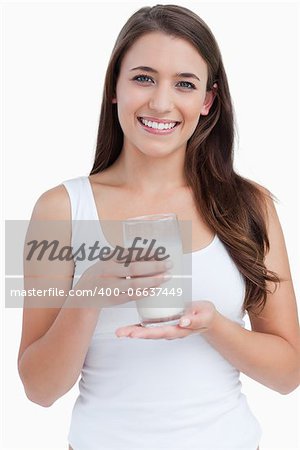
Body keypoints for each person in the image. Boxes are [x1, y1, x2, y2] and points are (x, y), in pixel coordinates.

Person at [17, 4, 300, 450]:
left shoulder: (250, 205)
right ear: (114, 86)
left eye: (184, 84)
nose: (161, 103)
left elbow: (288, 375)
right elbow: (38, 389)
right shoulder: (58, 209)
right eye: (143, 78)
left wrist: (211, 325)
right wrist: (88, 294)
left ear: (207, 101)